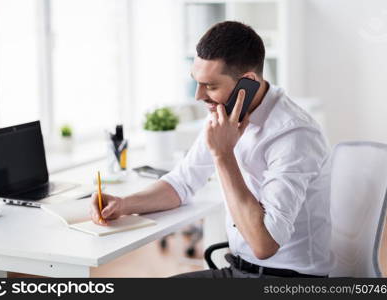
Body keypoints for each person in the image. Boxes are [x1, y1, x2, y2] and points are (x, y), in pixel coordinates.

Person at [90, 21, 333, 278]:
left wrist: (223, 154)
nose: (198, 96)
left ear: (247, 83)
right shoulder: (223, 116)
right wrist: (123, 204)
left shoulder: (294, 134)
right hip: (237, 270)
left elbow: (264, 245)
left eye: (211, 86)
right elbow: (182, 183)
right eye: (196, 82)